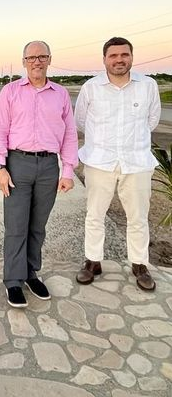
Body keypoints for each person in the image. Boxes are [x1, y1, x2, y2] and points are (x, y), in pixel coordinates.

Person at [0, 41, 78, 308]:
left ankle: (31, 274)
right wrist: (0, 167)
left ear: (49, 59)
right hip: (17, 163)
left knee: (38, 226)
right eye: (31, 57)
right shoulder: (10, 91)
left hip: (49, 166)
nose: (37, 61)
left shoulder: (60, 94)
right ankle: (13, 281)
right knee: (16, 225)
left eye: (42, 56)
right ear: (24, 62)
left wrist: (68, 171)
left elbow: (70, 133)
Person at [75, 37, 161, 291]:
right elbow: (81, 121)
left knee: (138, 217)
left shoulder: (148, 86)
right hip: (99, 162)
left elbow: (152, 120)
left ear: (132, 57)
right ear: (104, 59)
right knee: (94, 215)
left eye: (124, 55)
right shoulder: (91, 88)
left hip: (136, 163)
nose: (119, 60)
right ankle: (93, 261)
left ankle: (139, 264)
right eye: (113, 55)